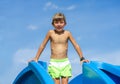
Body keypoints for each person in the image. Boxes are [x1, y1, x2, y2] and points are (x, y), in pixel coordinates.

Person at [30, 13, 89, 84]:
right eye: (56, 22)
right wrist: (36, 58)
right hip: (54, 63)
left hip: (65, 63)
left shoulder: (67, 33)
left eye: (61, 22)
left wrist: (82, 58)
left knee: (65, 82)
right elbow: (42, 45)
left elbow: (76, 45)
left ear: (65, 23)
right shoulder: (50, 33)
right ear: (53, 24)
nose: (59, 24)